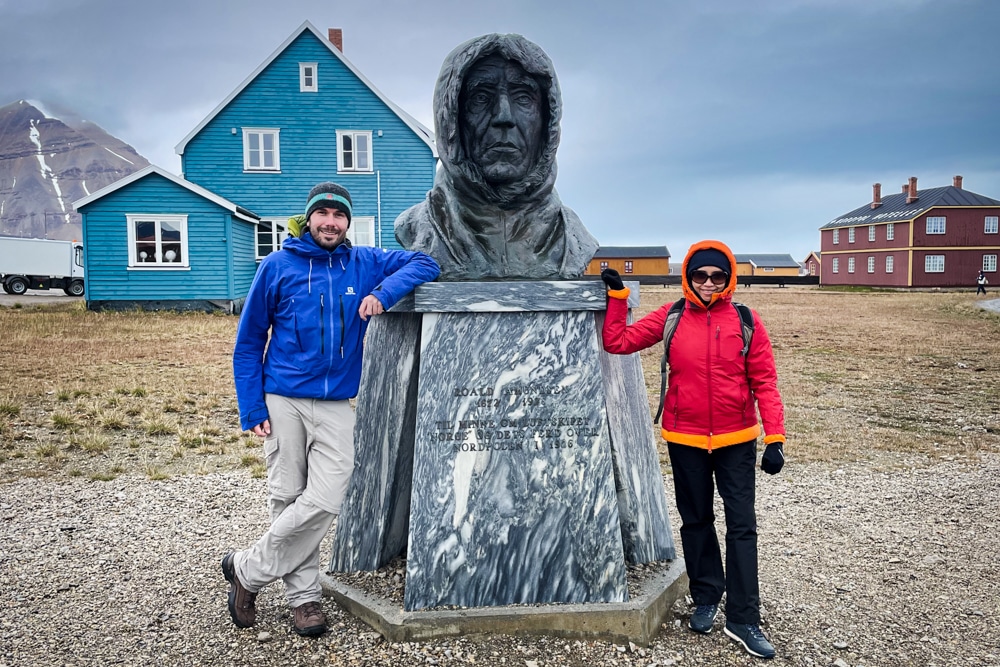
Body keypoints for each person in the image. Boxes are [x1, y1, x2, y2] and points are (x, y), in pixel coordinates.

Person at [226, 182, 440, 636]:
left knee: (327, 495)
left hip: (338, 401)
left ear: (347, 222)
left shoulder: (363, 262)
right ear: (309, 220)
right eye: (321, 213)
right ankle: (304, 598)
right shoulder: (276, 266)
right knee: (288, 495)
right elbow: (248, 343)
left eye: (338, 215)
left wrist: (385, 292)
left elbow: (426, 262)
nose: (330, 221)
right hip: (282, 398)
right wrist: (252, 406)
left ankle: (247, 569)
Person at [601, 240, 786, 660]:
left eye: (717, 276)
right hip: (684, 439)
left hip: (736, 440)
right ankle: (706, 596)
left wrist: (775, 438)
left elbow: (766, 383)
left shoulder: (746, 320)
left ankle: (743, 618)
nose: (708, 282)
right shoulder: (672, 317)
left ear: (728, 279)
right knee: (696, 521)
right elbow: (618, 342)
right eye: (700, 275)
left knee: (742, 526)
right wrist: (617, 298)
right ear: (688, 277)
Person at [394, 33, 598, 280]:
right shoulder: (417, 228)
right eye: (481, 98)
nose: (504, 116)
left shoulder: (571, 238)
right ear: (451, 118)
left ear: (547, 121)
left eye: (523, 98)